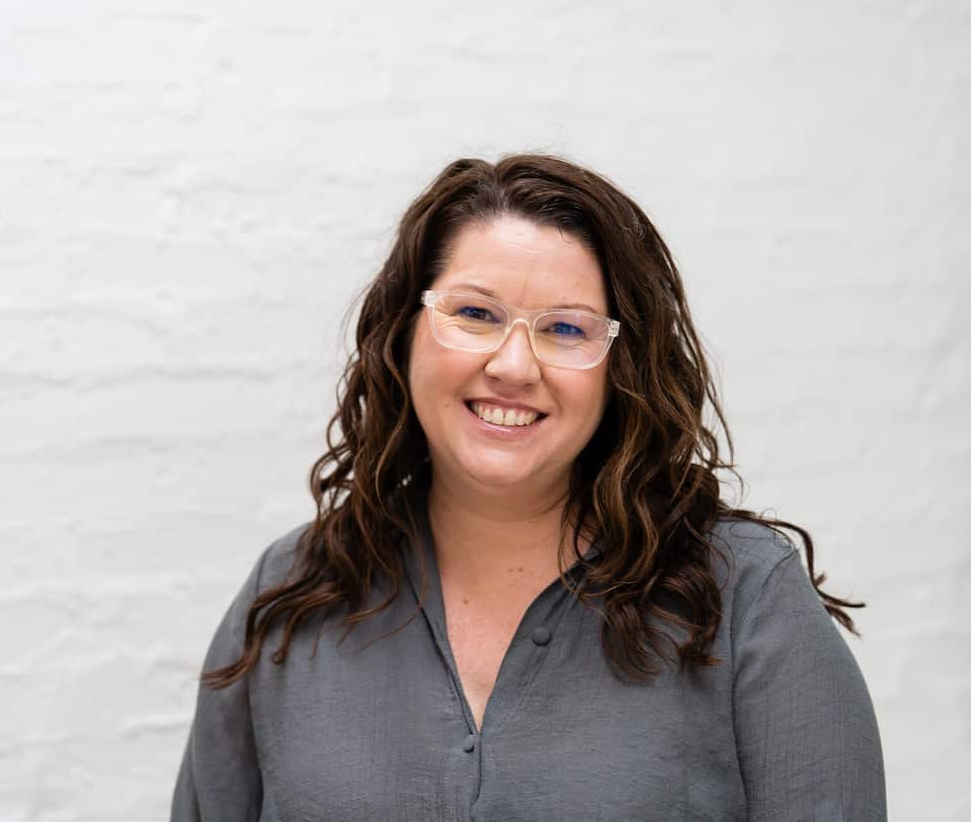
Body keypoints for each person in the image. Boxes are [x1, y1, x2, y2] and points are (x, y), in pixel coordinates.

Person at [170, 154, 887, 821]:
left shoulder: (745, 600)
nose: (514, 364)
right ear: (406, 332)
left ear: (620, 367)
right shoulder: (291, 597)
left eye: (566, 329)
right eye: (475, 314)